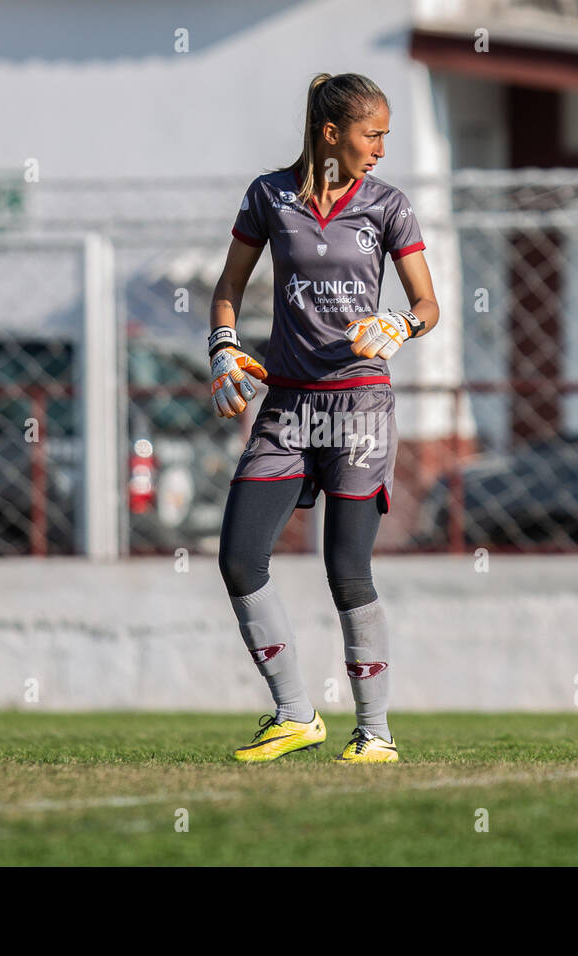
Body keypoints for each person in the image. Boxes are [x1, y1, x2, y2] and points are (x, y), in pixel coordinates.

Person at [209, 72, 439, 764]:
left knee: (347, 566)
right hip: (286, 407)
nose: (382, 150)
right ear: (331, 133)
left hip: (361, 406)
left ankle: (374, 734)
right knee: (239, 556)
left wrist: (401, 324)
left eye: (387, 137)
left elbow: (429, 306)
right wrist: (223, 349)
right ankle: (294, 714)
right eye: (374, 135)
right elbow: (228, 288)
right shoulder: (268, 196)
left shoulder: (388, 205)